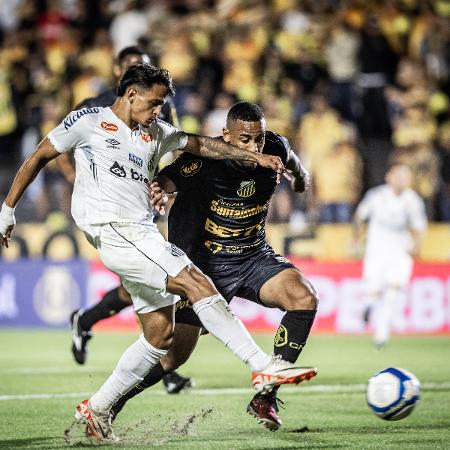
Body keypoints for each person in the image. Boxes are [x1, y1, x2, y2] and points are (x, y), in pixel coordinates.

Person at [0, 64, 316, 442]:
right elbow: (39, 155)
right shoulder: (88, 121)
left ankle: (99, 409)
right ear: (131, 94)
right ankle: (262, 365)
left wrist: (255, 159)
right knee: (197, 282)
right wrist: (7, 209)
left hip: (144, 232)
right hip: (116, 228)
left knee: (160, 336)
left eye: (162, 105)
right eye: (154, 103)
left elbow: (200, 143)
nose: (158, 112)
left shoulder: (154, 133)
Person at [99, 102, 319, 431]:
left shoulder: (274, 146)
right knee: (174, 356)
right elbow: (168, 180)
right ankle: (110, 404)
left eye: (258, 139)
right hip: (206, 267)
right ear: (226, 135)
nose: (253, 147)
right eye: (244, 140)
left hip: (253, 255)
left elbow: (293, 163)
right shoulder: (203, 160)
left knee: (304, 298)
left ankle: (265, 396)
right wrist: (158, 190)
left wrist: (300, 179)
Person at [64, 45, 190, 395]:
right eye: (133, 66)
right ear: (118, 70)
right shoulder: (95, 105)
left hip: (142, 206)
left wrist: (165, 185)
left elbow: (173, 150)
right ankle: (165, 369)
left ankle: (85, 319)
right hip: (107, 212)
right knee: (148, 283)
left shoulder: (160, 107)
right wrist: (82, 181)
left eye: (144, 66)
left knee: (141, 285)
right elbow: (59, 148)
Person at [353, 163, 427, 349]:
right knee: (374, 291)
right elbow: (360, 216)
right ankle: (368, 306)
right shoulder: (376, 196)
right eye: (398, 175)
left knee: (393, 292)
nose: (402, 179)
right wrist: (355, 239)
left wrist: (416, 247)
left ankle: (381, 335)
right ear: (389, 177)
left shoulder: (413, 200)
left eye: (405, 176)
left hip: (400, 251)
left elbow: (419, 227)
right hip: (376, 250)